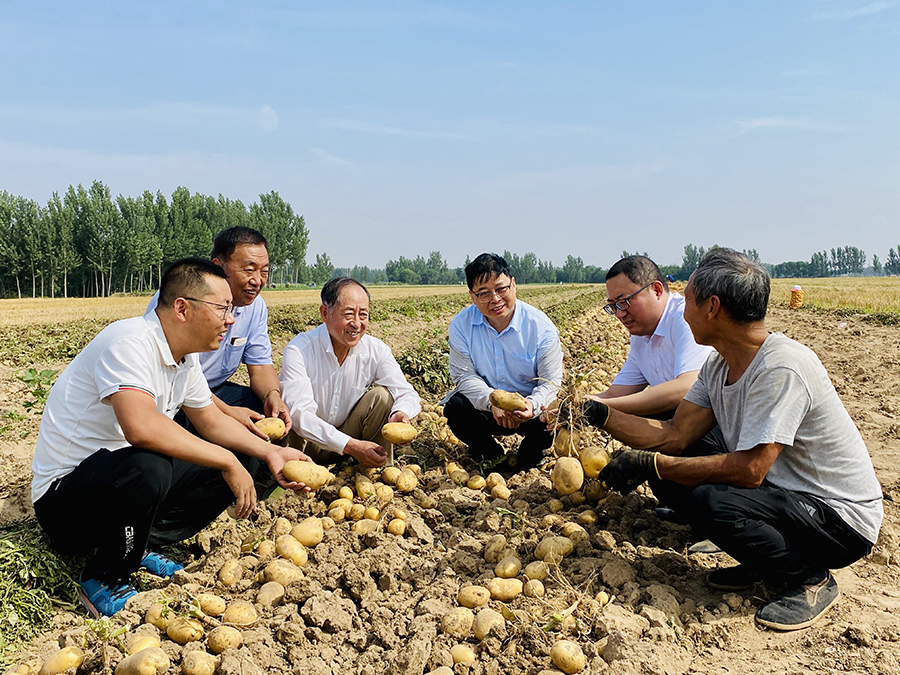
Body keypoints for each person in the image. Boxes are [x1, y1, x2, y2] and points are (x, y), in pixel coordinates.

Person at [576, 248, 883, 630]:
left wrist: (655, 463)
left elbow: (751, 470)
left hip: (838, 520)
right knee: (677, 469)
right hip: (786, 498)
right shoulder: (719, 363)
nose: (681, 311)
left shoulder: (782, 366)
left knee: (711, 499)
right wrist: (601, 413)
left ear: (712, 307)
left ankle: (809, 579)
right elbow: (677, 435)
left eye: (686, 300)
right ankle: (763, 561)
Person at [32, 258, 313, 618]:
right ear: (182, 308)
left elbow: (210, 420)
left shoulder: (184, 357)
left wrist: (271, 452)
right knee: (151, 464)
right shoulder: (129, 342)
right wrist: (225, 460)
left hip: (114, 486)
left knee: (240, 453)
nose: (230, 319)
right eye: (222, 308)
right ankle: (103, 577)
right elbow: (141, 428)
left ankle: (136, 544)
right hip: (64, 503)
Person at [146, 227, 290, 439]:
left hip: (215, 390)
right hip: (176, 392)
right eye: (249, 270)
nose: (258, 280)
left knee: (256, 409)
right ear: (218, 268)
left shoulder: (256, 307)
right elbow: (178, 381)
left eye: (264, 271)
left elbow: (260, 366)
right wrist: (227, 413)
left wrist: (272, 395)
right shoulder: (182, 303)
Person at [280, 277, 421, 468]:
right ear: (324, 313)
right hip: (304, 445)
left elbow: (407, 392)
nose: (356, 323)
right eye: (348, 314)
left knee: (382, 397)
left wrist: (401, 413)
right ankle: (285, 478)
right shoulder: (299, 350)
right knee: (289, 411)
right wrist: (350, 445)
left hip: (348, 437)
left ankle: (377, 468)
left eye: (363, 315)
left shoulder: (375, 350)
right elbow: (300, 416)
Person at [443, 253, 562, 471]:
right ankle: (490, 452)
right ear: (472, 296)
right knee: (456, 408)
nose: (495, 299)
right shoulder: (461, 326)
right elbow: (464, 376)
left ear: (513, 284)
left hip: (530, 412)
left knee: (555, 411)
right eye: (484, 293)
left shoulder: (541, 328)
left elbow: (550, 383)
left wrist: (531, 406)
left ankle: (531, 454)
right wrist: (491, 402)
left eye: (501, 289)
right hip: (488, 410)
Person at [597, 256, 713, 417]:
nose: (620, 314)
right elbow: (615, 395)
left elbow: (688, 387)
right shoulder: (640, 335)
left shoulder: (685, 318)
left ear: (657, 290)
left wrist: (603, 407)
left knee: (643, 413)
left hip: (721, 425)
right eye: (613, 306)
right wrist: (573, 406)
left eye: (624, 302)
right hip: (686, 423)